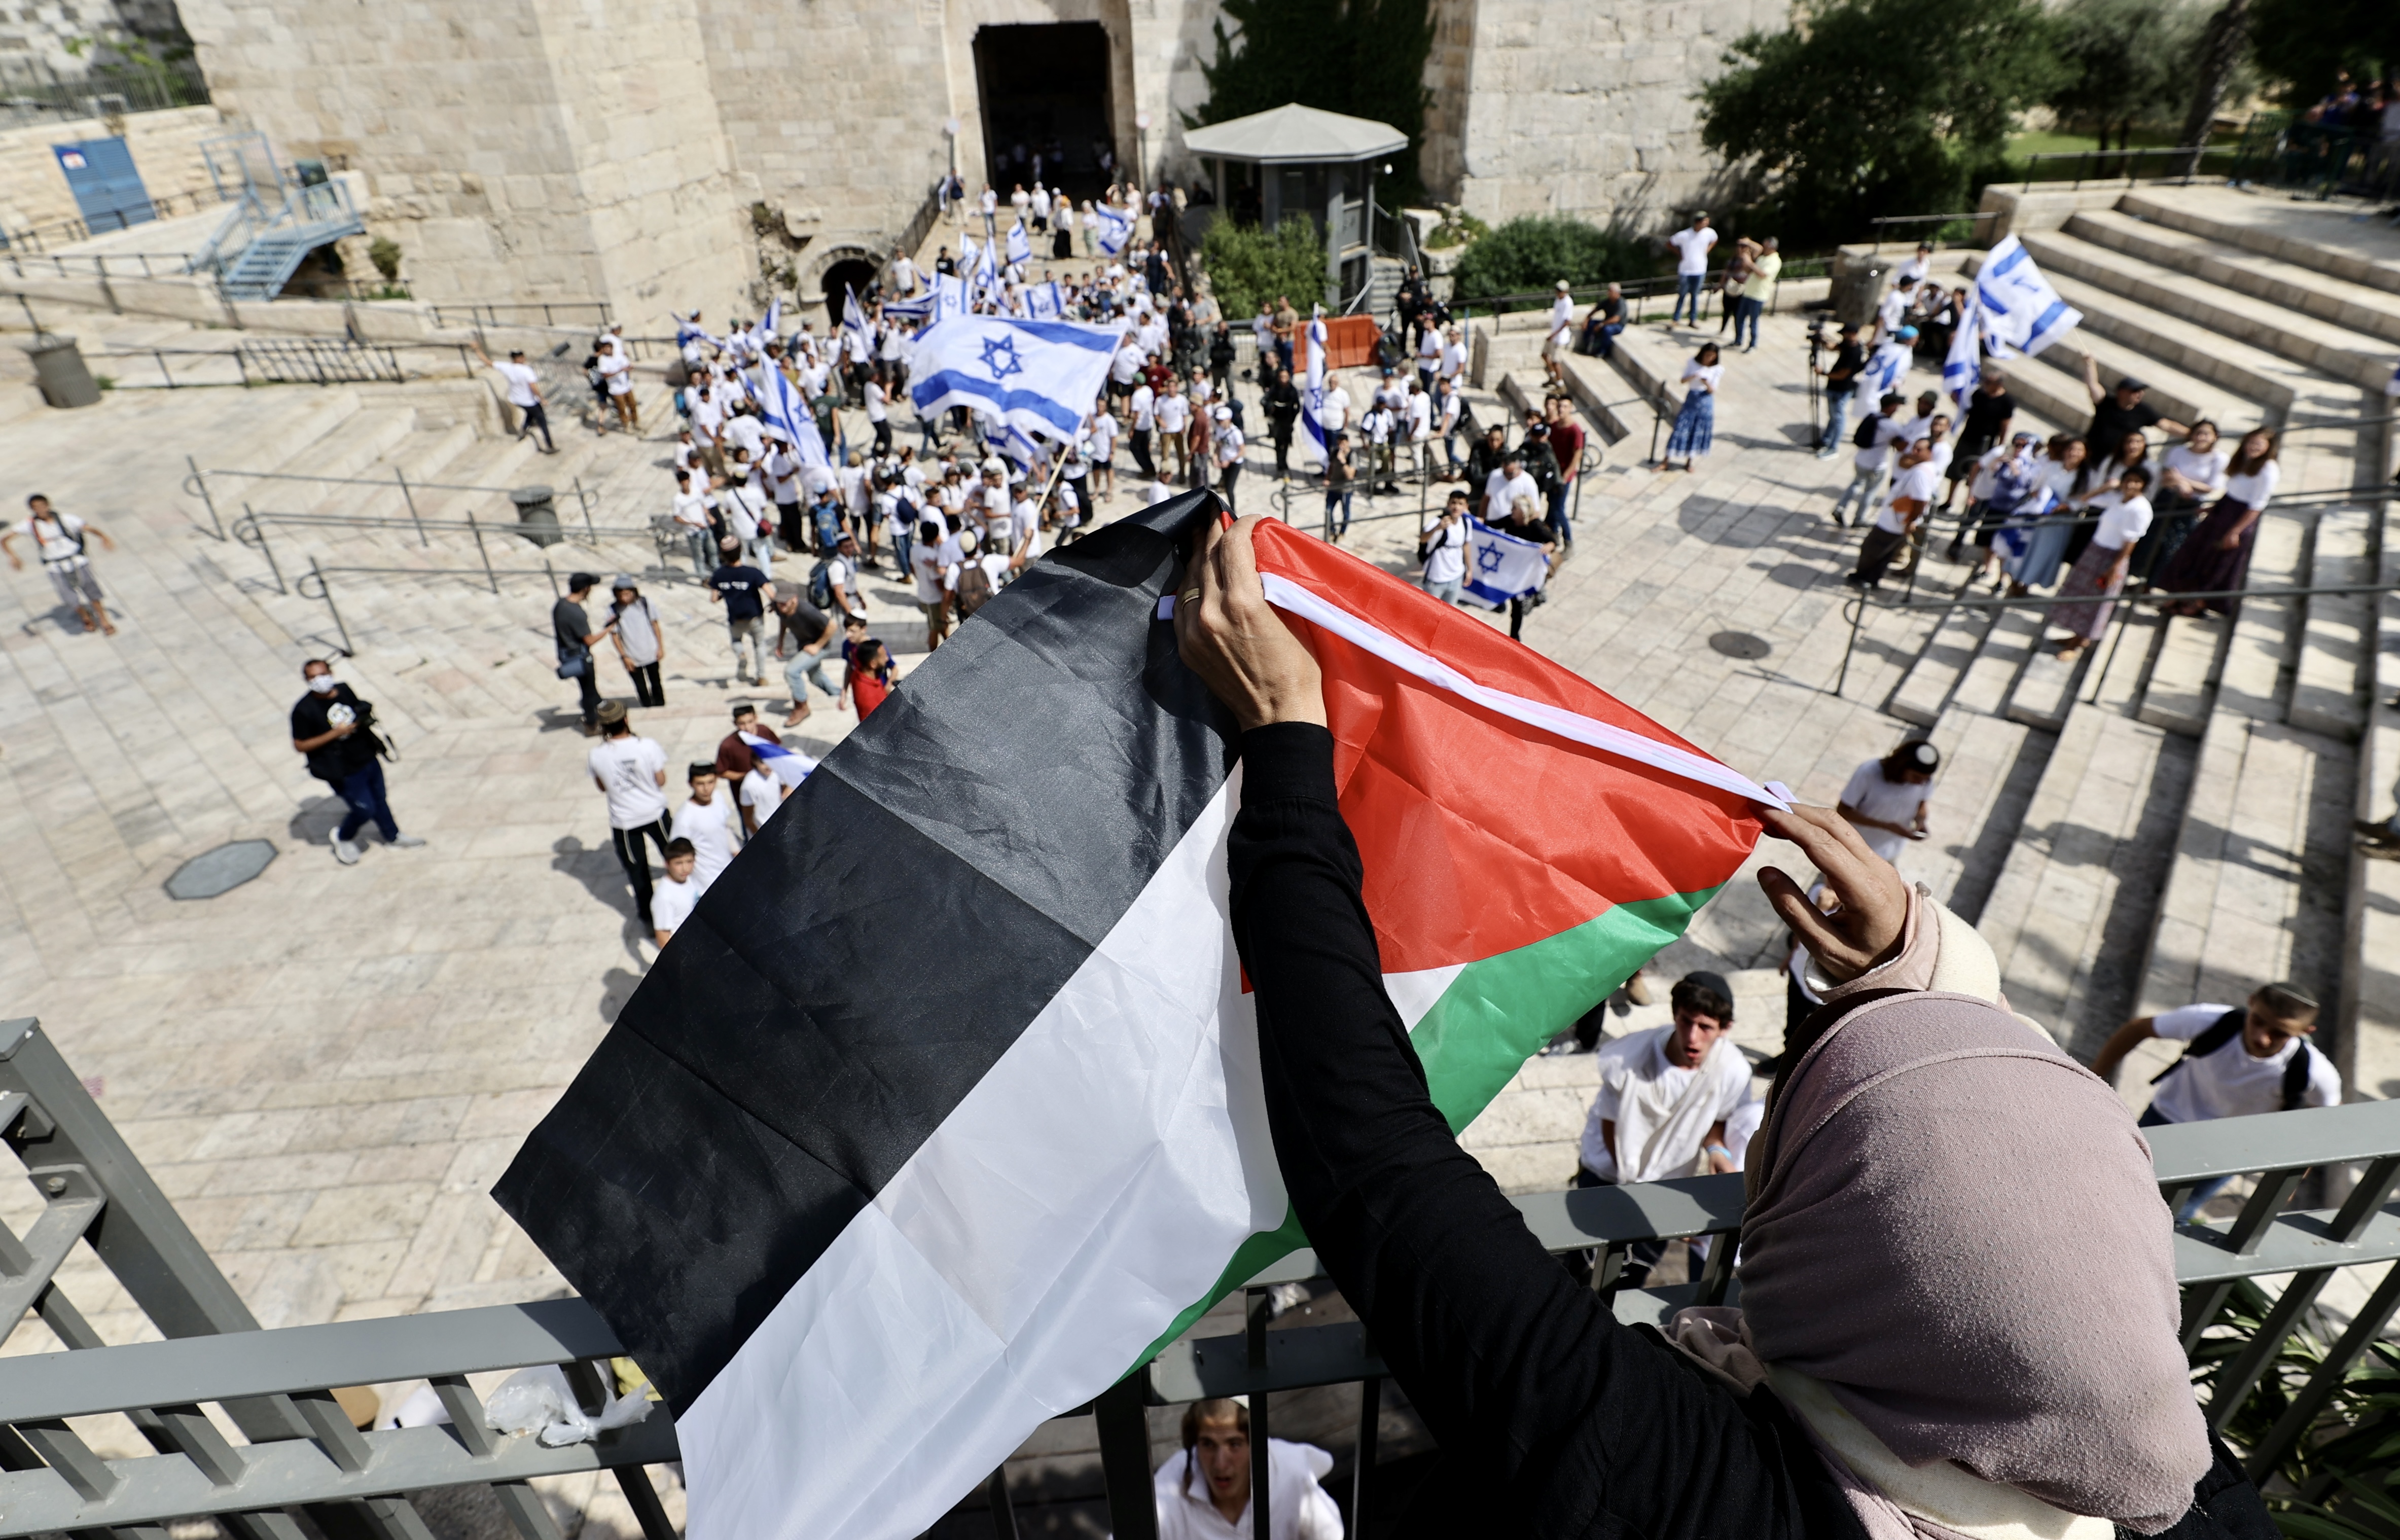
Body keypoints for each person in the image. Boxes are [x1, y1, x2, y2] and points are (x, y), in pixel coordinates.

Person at [1172, 513, 2259, 1540]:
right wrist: (1919, 979)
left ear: (1829, 1268)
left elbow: (1374, 1161)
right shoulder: (2169, 1473)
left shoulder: (1685, 1485)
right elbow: (2010, 1175)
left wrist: (1283, 754)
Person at [2090, 982, 2338, 1220]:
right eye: (2258, 1021)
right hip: (2167, 1117)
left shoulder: (2316, 1073)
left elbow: (2321, 1126)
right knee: (2113, 1185)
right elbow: (2139, 1029)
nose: (2263, 1038)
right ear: (2251, 1003)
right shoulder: (2210, 1020)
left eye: (2279, 1033)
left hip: (2228, 1150)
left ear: (2305, 1032)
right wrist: (2093, 1079)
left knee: (2175, 1214)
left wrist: (2291, 1180)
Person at [1574, 970, 1750, 1288]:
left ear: (1725, 1029)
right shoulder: (1626, 1059)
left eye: (1705, 1027)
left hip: (1664, 1185)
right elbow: (1610, 1129)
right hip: (1607, 1175)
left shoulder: (1733, 1071)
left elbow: (1718, 1120)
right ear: (1675, 1015)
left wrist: (1716, 1150)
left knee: (1628, 1278)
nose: (1692, 1037)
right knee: (1578, 1267)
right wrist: (1638, 1192)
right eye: (1686, 1022)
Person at [1148, 1397, 1342, 1540]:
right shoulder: (1170, 1488)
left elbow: (1329, 1533)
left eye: (1234, 1444)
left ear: (1255, 1445)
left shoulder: (1289, 1471)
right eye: (1208, 1444)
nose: (1221, 1464)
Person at [291, 659, 424, 865]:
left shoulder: (344, 690)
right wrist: (335, 734)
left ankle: (393, 836)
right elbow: (301, 745)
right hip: (343, 769)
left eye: (323, 675)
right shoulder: (304, 710)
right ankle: (344, 835)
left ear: (331, 673)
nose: (320, 681)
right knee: (364, 809)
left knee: (380, 798)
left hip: (367, 756)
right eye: (313, 677)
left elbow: (357, 710)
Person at [2156, 428, 2279, 618]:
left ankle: (2198, 603)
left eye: (2258, 444)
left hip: (2239, 518)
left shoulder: (2268, 471)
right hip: (2224, 510)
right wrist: (2213, 508)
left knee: (2216, 563)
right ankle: (2179, 595)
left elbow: (2256, 506)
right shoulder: (2244, 461)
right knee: (2195, 554)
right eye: (2250, 442)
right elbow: (2234, 490)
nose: (2252, 447)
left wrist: (2235, 531)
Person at [2050, 465, 2153, 656]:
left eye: (2137, 482)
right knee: (2080, 594)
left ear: (2144, 486)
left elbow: (2131, 541)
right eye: (2128, 480)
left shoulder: (2140, 509)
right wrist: (2106, 488)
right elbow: (2085, 499)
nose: (2131, 485)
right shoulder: (2118, 499)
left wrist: (2115, 566)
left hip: (2112, 557)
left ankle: (2078, 644)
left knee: (2095, 601)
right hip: (2095, 550)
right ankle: (2076, 636)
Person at [587, 700, 670, 931]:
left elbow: (602, 787)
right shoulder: (647, 746)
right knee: (676, 858)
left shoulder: (596, 755)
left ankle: (650, 920)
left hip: (624, 822)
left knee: (638, 873)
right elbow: (661, 780)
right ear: (626, 719)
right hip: (655, 813)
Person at [2131, 421, 2228, 586]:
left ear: (2214, 437)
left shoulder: (2219, 458)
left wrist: (2182, 480)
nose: (2201, 437)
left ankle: (2155, 583)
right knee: (2151, 539)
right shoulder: (2178, 451)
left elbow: (2210, 487)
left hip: (2190, 504)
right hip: (2168, 497)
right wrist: (2180, 484)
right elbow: (2167, 476)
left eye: (2206, 434)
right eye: (2198, 433)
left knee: (2173, 544)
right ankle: (2138, 576)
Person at [5, 494, 117, 635]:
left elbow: (87, 528)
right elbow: (5, 539)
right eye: (36, 508)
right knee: (69, 597)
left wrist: (104, 538)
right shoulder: (31, 525)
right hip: (55, 566)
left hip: (77, 561)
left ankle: (104, 620)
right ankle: (85, 616)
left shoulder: (66, 519)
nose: (40, 510)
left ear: (48, 505)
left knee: (92, 592)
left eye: (42, 506)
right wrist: (13, 557)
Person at [1846, 435, 1933, 591]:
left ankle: (1864, 577)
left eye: (1919, 450)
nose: (1914, 452)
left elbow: (1921, 501)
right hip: (1894, 519)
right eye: (1914, 447)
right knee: (1882, 552)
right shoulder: (1922, 469)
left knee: (1872, 548)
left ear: (1929, 453)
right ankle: (1871, 579)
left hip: (1894, 522)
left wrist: (1912, 521)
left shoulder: (1921, 474)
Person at [1837, 738, 1937, 863]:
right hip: (1857, 848)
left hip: (1891, 850)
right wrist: (1885, 826)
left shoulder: (1924, 781)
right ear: (1902, 765)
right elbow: (1844, 810)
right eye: (1916, 777)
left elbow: (1922, 804)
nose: (1921, 783)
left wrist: (1921, 822)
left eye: (1925, 779)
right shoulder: (1868, 773)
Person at [1941, 371, 2015, 515]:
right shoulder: (1978, 394)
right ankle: (1949, 501)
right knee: (1956, 470)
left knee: (1975, 476)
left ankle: (1968, 506)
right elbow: (1967, 409)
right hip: (1968, 437)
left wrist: (2001, 446)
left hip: (1984, 444)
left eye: (1990, 382)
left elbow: (2005, 425)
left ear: (1999, 384)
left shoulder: (2007, 402)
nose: (1986, 384)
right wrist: (1956, 400)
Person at [1829, 392, 1906, 528]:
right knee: (1870, 492)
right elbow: (1902, 445)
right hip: (1877, 465)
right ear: (1891, 407)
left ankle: (1840, 507)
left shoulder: (1871, 417)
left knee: (1856, 484)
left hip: (1860, 460)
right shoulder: (1893, 426)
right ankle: (1859, 519)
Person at [553, 572, 613, 734]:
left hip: (567, 655)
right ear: (586, 589)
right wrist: (608, 629)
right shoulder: (576, 612)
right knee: (588, 691)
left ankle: (600, 707)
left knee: (588, 689)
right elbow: (589, 640)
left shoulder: (560, 605)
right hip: (581, 657)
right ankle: (592, 724)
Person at [2081, 355, 2186, 447]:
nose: (2140, 394)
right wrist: (2090, 364)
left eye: (2141, 391)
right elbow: (2093, 385)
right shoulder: (2106, 403)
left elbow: (2167, 425)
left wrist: (2192, 434)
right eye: (2135, 391)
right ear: (2122, 392)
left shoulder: (2143, 411)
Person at [471, 342, 556, 453]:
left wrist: (477, 349)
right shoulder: (526, 371)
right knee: (542, 421)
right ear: (519, 358)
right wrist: (542, 399)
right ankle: (549, 446)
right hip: (529, 401)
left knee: (531, 414)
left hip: (517, 400)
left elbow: (487, 362)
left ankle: (524, 430)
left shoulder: (507, 367)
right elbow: (533, 387)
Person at [669, 763, 741, 892]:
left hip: (730, 871)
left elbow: (725, 828)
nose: (707, 789)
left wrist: (737, 853)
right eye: (700, 784)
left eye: (711, 782)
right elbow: (679, 855)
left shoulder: (718, 798)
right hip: (707, 884)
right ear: (691, 784)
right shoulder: (685, 818)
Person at [1661, 342, 1721, 472]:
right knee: (1680, 428)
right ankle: (1666, 460)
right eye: (1707, 355)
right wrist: (1694, 376)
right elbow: (1683, 380)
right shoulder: (1693, 363)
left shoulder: (1717, 369)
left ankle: (1689, 461)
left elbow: (1713, 390)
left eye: (1712, 356)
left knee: (1697, 431)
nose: (1709, 358)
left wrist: (1706, 382)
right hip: (1691, 400)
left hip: (1705, 401)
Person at [607, 578, 665, 708]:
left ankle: (660, 705)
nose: (624, 598)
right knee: (640, 686)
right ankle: (647, 706)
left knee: (656, 682)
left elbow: (655, 625)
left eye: (627, 594)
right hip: (632, 655)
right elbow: (615, 635)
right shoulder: (613, 609)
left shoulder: (645, 604)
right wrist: (624, 656)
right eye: (620, 595)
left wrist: (660, 647)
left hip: (650, 651)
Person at [1813, 323, 1864, 458]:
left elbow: (1843, 374)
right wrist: (1822, 339)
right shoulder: (1848, 344)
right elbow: (1834, 347)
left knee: (1838, 418)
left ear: (1852, 334)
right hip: (1834, 388)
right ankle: (1826, 439)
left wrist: (1823, 373)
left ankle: (1833, 447)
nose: (1843, 337)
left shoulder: (1854, 352)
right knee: (1833, 416)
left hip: (1841, 389)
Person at [1666, 210, 1716, 326]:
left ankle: (1693, 319)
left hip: (1700, 269)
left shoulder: (1709, 233)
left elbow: (1714, 240)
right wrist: (1679, 254)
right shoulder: (1685, 235)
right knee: (1682, 295)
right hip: (1686, 270)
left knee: (1695, 296)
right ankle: (1676, 318)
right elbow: (1670, 243)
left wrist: (1708, 250)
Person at [649, 839, 701, 948]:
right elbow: (663, 939)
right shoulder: (664, 897)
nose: (685, 868)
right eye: (678, 863)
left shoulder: (689, 879)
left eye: (689, 862)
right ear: (667, 864)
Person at [1420, 490, 1469, 603]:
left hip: (1456, 576)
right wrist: (1437, 528)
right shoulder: (1438, 522)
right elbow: (1423, 539)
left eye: (1461, 504)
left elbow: (1466, 544)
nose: (1456, 507)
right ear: (1448, 504)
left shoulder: (1466, 523)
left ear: (1466, 507)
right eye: (1454, 503)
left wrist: (1469, 569)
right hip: (1437, 578)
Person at [1732, 235, 1778, 352]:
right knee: (1740, 318)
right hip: (1748, 292)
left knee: (1753, 321)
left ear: (1772, 247)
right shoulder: (1763, 258)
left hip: (1759, 295)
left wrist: (1750, 262)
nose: (1764, 248)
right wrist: (1746, 259)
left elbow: (1762, 274)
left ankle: (1752, 344)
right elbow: (1750, 271)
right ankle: (1738, 340)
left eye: (1767, 245)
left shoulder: (1775, 261)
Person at [595, 338, 637, 433]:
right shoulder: (603, 360)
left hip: (627, 385)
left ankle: (636, 421)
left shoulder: (619, 355)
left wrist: (629, 368)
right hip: (616, 389)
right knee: (622, 408)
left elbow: (627, 365)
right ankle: (626, 425)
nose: (608, 350)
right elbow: (605, 374)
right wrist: (619, 371)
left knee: (633, 404)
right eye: (606, 349)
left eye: (609, 348)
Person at [844, 637, 893, 719]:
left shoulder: (859, 674)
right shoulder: (869, 698)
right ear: (873, 664)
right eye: (884, 656)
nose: (887, 659)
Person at [1580, 282, 1627, 359]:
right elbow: (1595, 311)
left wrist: (1601, 325)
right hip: (1607, 322)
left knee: (1607, 330)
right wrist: (1586, 320)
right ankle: (1587, 346)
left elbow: (1616, 319)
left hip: (1618, 325)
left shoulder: (1621, 303)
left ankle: (1603, 352)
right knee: (1591, 324)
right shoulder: (1607, 302)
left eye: (1610, 291)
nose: (1608, 293)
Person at [1321, 431, 1355, 540]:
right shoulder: (1335, 452)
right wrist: (1327, 479)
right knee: (1328, 510)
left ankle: (1342, 532)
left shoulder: (1352, 456)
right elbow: (1331, 467)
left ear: (1348, 443)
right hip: (1333, 488)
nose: (1341, 446)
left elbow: (1351, 475)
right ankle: (1332, 531)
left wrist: (1343, 462)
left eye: (1344, 444)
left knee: (1345, 512)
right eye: (1340, 444)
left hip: (1345, 490)